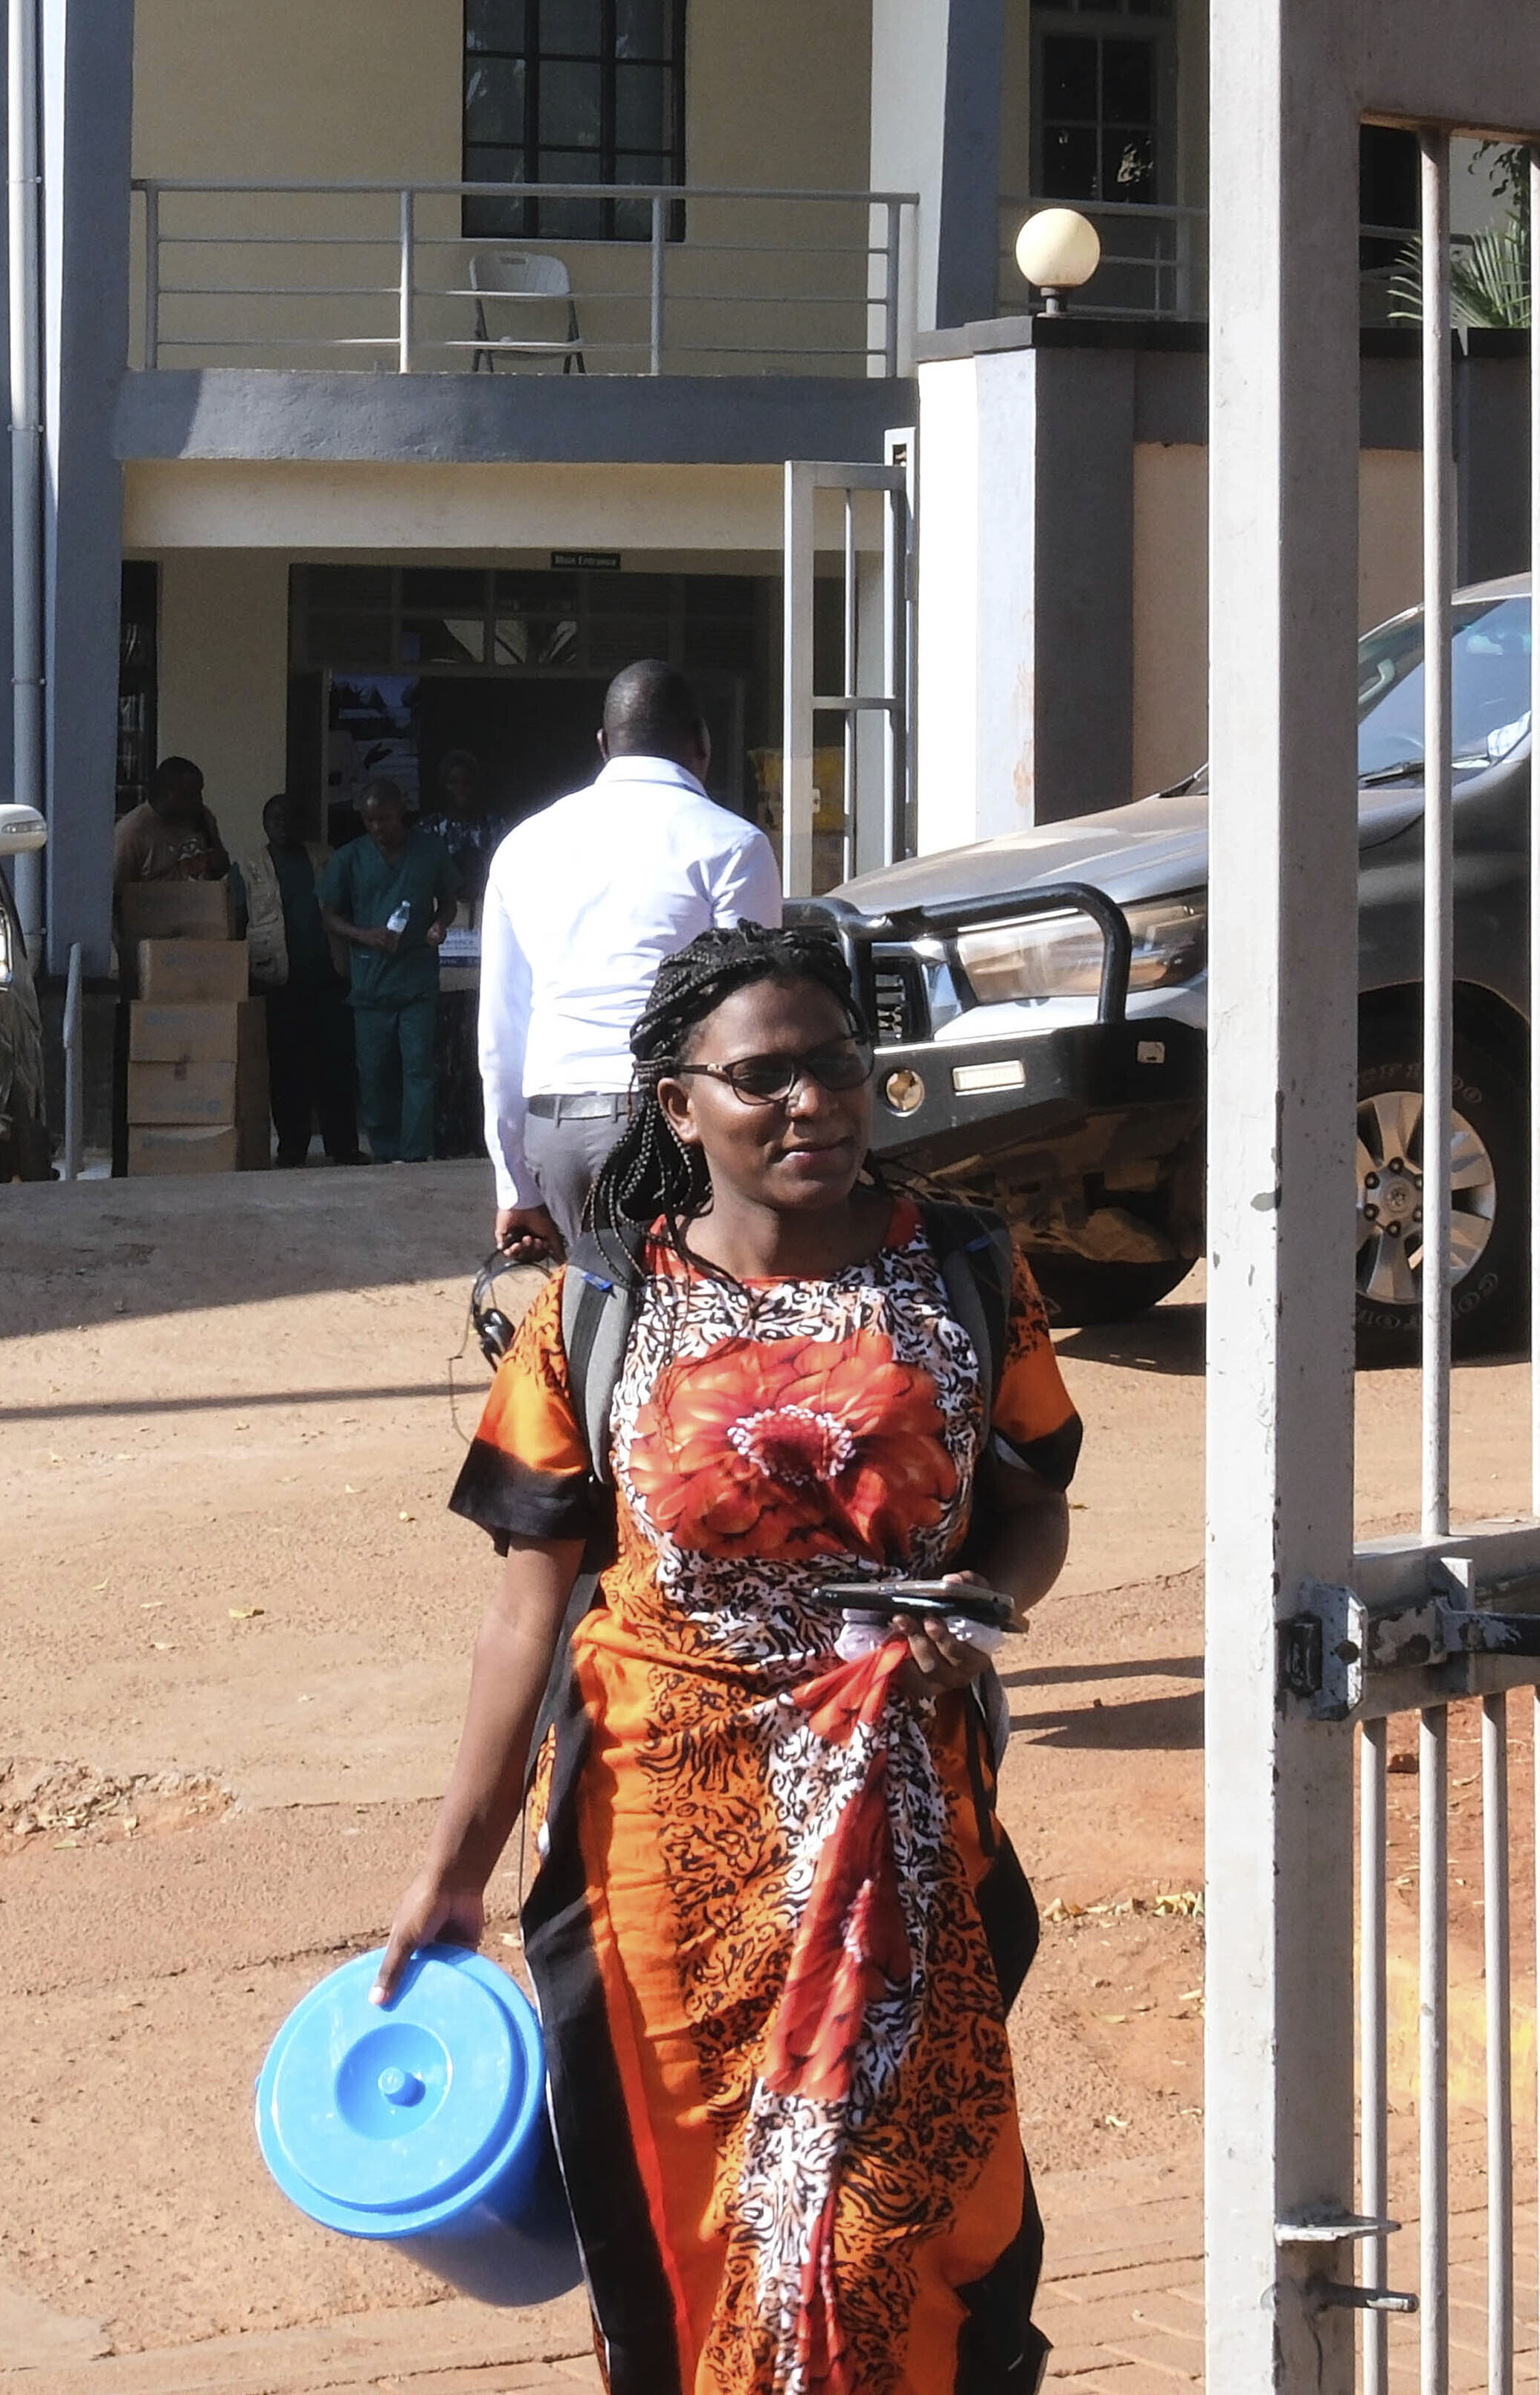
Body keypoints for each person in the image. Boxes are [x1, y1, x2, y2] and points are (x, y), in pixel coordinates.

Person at [384, 922, 1079, 2394]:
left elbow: (1033, 1502)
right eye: (763, 1078)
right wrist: (454, 1866)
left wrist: (983, 1608)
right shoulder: (593, 1315)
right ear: (677, 1103)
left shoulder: (964, 1272)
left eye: (835, 1067)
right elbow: (528, 1612)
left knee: (903, 2228)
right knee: (698, 2245)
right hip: (660, 1860)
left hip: (905, 1841)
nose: (812, 1104)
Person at [479, 661, 781, 1260]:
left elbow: (500, 1031)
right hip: (671, 1122)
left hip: (554, 1128)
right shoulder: (731, 844)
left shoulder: (523, 846)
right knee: (682, 1317)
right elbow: (753, 1014)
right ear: (702, 742)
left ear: (603, 746)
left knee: (591, 1311)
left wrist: (514, 1182)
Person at [315, 779, 452, 1163]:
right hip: (371, 985)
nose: (377, 828)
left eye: (385, 819)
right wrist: (363, 935)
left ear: (402, 812)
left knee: (419, 1070)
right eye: (369, 820)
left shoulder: (429, 851)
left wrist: (439, 925)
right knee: (375, 1076)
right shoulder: (350, 858)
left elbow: (448, 901)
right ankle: (385, 1149)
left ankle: (414, 1153)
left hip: (416, 981)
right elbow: (327, 914)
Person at [255, 791, 358, 1169]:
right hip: (280, 982)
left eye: (290, 818)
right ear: (265, 825)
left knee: (336, 1066)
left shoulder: (325, 858)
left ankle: (343, 1146)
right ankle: (292, 1147)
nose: (283, 826)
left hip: (329, 979)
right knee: (287, 1070)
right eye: (275, 819)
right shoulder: (251, 866)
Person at [115, 754, 230, 888]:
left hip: (203, 902)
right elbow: (115, 892)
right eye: (189, 795)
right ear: (165, 795)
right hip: (157, 906)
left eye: (200, 792)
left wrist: (213, 841)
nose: (199, 800)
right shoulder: (131, 832)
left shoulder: (201, 816)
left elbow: (222, 869)